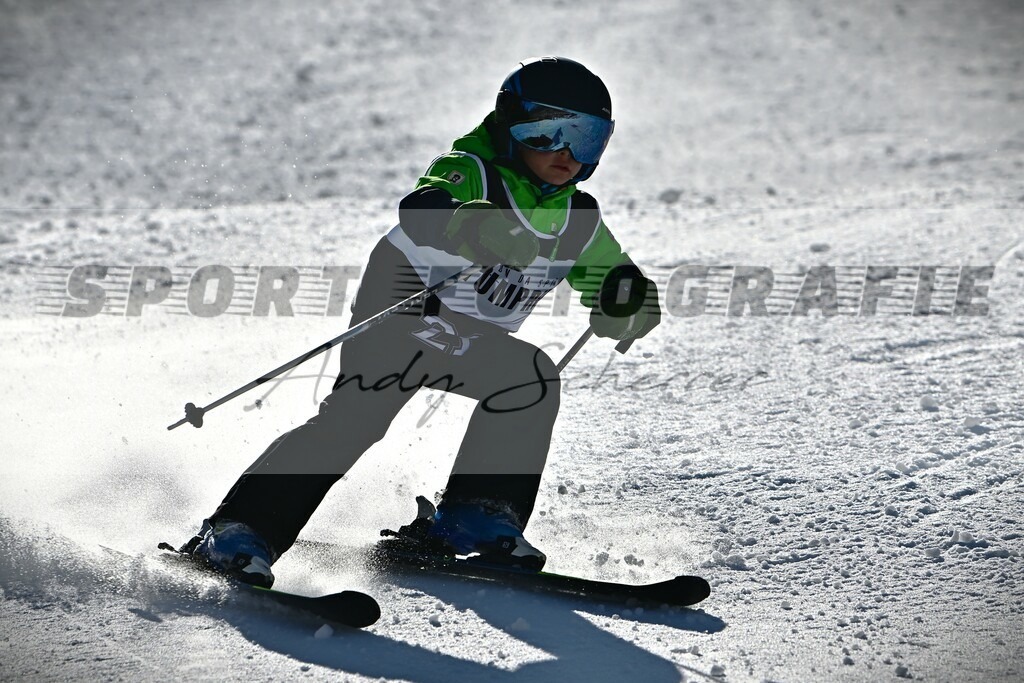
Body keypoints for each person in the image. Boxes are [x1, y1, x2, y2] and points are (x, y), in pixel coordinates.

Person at [181, 56, 661, 588]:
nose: (566, 152)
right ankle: (236, 531)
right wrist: (471, 226)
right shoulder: (471, 170)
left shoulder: (577, 219)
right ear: (508, 124)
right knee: (355, 422)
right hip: (403, 311)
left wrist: (627, 300)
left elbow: (609, 276)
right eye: (545, 131)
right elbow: (424, 206)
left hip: (468, 338)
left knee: (531, 380)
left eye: (587, 138)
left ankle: (476, 519)